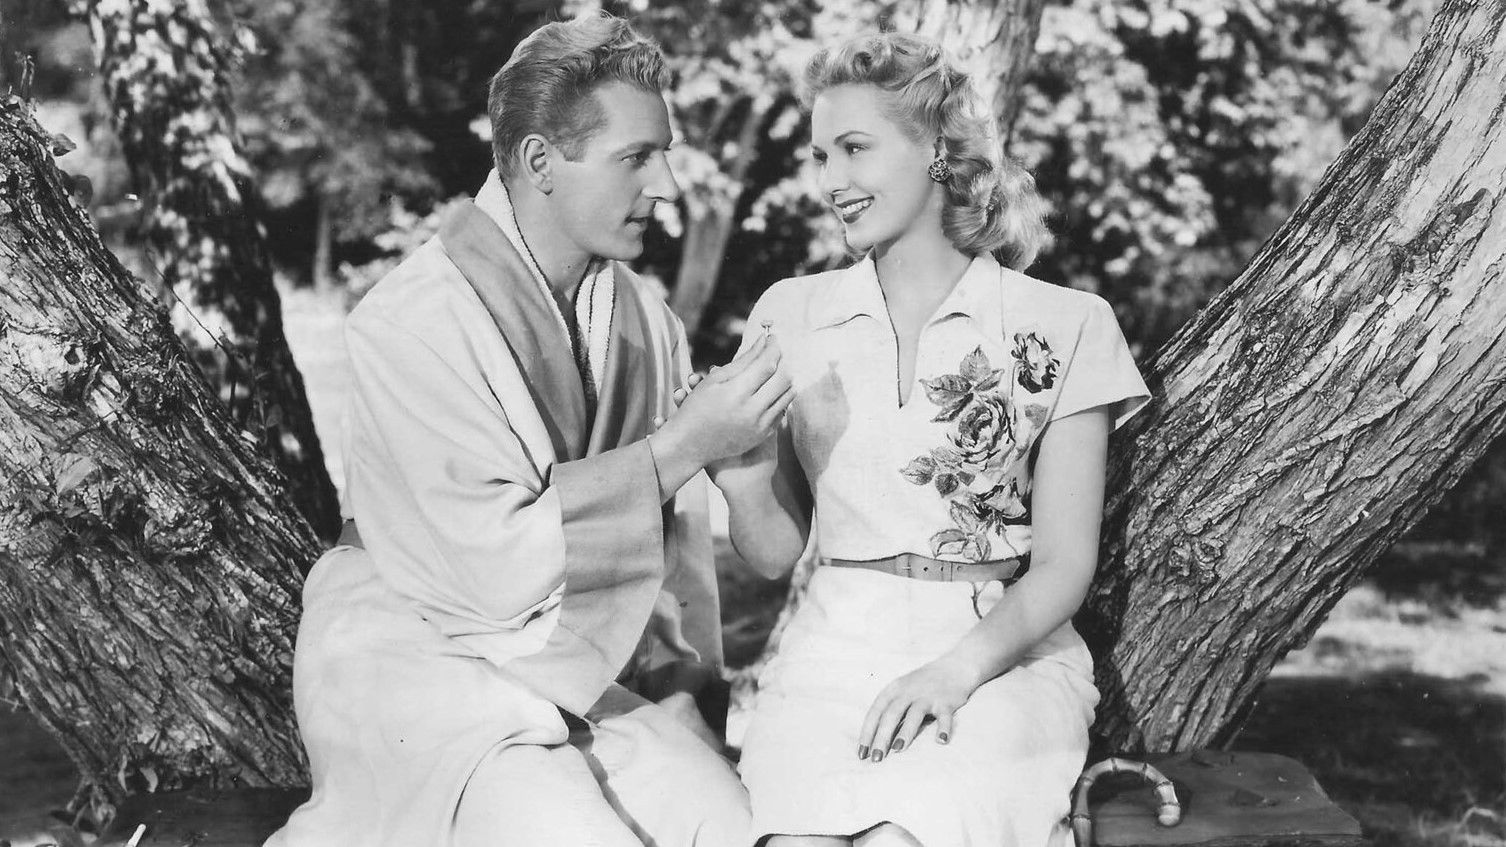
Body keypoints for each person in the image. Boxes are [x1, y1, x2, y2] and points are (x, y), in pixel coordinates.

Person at [264, 14, 790, 847]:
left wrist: (683, 686)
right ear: (540, 160)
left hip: (573, 666)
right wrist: (685, 445)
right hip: (414, 654)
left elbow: (677, 549)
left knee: (729, 822)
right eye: (635, 157)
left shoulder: (647, 323)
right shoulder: (411, 319)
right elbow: (489, 570)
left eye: (664, 153)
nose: (666, 186)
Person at [703, 33, 1151, 847]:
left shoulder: (1067, 326)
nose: (830, 181)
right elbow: (773, 555)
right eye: (820, 156)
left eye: (854, 149)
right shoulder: (789, 315)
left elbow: (1063, 564)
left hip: (999, 657)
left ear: (938, 151)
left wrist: (955, 671)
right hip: (829, 647)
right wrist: (739, 481)